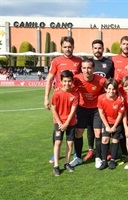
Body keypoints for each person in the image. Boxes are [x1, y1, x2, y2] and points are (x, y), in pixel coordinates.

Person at [44, 36, 82, 164]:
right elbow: (49, 79)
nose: (67, 49)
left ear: (73, 47)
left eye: (69, 46)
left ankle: (75, 153)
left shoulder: (79, 61)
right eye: (65, 47)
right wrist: (46, 98)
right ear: (61, 47)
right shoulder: (56, 61)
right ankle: (56, 154)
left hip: (74, 99)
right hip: (60, 99)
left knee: (75, 127)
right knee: (58, 126)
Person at [69, 58, 106, 168]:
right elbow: (68, 87)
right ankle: (78, 157)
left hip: (96, 109)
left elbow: (110, 89)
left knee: (98, 133)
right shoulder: (76, 79)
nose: (87, 70)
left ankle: (98, 158)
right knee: (78, 133)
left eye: (89, 67)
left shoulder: (101, 80)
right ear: (81, 69)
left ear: (93, 68)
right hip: (82, 108)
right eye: (84, 68)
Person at [83, 39, 116, 162]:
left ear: (103, 49)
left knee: (102, 126)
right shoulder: (88, 63)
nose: (97, 50)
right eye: (95, 48)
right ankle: (91, 149)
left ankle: (105, 149)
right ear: (92, 49)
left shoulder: (109, 63)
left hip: (104, 101)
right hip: (89, 101)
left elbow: (112, 80)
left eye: (99, 48)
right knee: (90, 127)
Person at [50, 70, 79, 176]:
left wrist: (66, 123)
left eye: (69, 81)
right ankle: (56, 166)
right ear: (61, 81)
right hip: (59, 122)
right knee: (58, 142)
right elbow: (53, 109)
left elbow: (73, 110)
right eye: (65, 81)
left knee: (70, 143)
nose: (67, 83)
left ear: (72, 81)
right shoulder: (57, 93)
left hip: (70, 122)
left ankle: (67, 163)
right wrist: (60, 123)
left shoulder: (75, 94)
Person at [111, 36, 128, 163]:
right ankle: (121, 152)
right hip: (118, 98)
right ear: (120, 45)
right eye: (124, 44)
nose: (126, 46)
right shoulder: (114, 60)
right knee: (119, 125)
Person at [97, 78, 125, 170]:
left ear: (116, 89)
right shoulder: (101, 98)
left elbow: (120, 114)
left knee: (115, 140)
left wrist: (114, 127)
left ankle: (112, 160)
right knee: (104, 139)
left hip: (117, 123)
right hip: (106, 123)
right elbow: (101, 113)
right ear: (105, 89)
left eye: (113, 89)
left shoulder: (120, 100)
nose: (111, 91)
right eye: (109, 88)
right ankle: (104, 161)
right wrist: (107, 126)